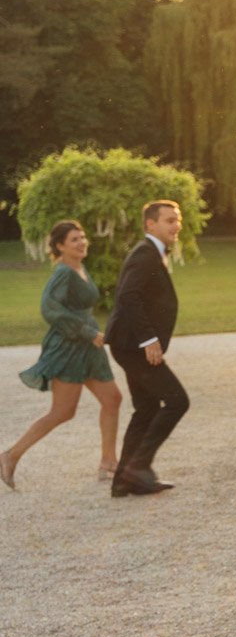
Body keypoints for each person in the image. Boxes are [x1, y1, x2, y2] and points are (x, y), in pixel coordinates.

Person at [3, 221, 123, 489]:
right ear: (60, 246)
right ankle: (10, 456)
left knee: (112, 399)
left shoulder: (79, 268)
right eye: (74, 239)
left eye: (82, 237)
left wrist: (92, 331)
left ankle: (109, 461)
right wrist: (84, 330)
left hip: (89, 346)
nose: (82, 242)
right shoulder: (63, 274)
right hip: (70, 347)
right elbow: (50, 309)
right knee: (62, 412)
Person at [104, 200, 188, 497]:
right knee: (178, 401)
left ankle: (123, 481)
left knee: (147, 408)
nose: (176, 225)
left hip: (129, 345)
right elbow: (128, 296)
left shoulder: (152, 252)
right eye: (169, 220)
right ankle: (138, 468)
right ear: (151, 224)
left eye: (177, 219)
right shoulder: (145, 253)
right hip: (133, 345)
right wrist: (149, 339)